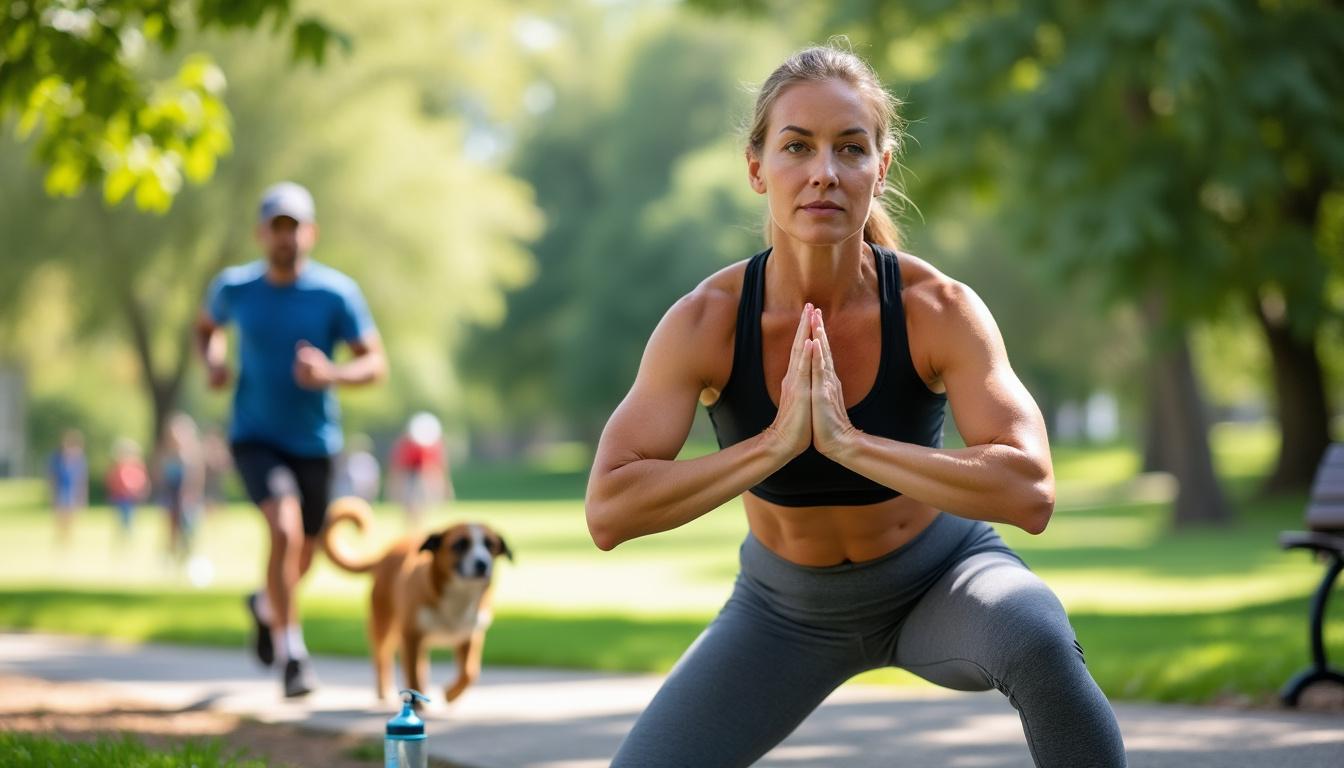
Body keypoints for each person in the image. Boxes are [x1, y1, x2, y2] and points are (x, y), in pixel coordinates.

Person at [584, 45, 1127, 767]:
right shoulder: (706, 322)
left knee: (1036, 637)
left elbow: (1030, 491)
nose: (824, 173)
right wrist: (773, 445)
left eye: (850, 148)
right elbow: (609, 511)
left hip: (942, 580)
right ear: (757, 169)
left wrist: (851, 445)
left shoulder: (938, 308)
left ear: (882, 165)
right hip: (782, 613)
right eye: (796, 147)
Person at [196, 181, 386, 697]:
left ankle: (264, 605)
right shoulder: (235, 288)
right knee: (283, 529)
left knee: (305, 550)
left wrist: (331, 374)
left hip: (315, 440)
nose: (286, 238)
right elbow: (206, 325)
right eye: (277, 228)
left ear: (311, 233)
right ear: (262, 234)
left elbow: (374, 363)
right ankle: (293, 657)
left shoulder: (335, 293)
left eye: (295, 227)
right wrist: (213, 360)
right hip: (254, 435)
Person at [387, 411, 451, 533]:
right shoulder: (405, 445)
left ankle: (419, 531)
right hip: (410, 476)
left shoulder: (434, 446)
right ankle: (410, 532)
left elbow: (438, 466)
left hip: (425, 476)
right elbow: (399, 467)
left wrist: (443, 485)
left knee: (422, 508)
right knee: (410, 508)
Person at [156, 412, 205, 563]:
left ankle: (187, 555)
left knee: (189, 527)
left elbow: (196, 477)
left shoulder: (192, 454)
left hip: (188, 497)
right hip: (171, 496)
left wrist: (192, 495)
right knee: (171, 527)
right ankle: (170, 555)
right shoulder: (166, 454)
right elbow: (160, 475)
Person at [47, 428, 87, 548]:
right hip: (60, 490)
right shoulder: (57, 458)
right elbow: (52, 477)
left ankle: (68, 539)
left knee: (71, 516)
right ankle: (61, 539)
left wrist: (82, 496)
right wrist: (51, 493)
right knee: (60, 516)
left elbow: (82, 480)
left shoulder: (79, 460)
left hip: (72, 491)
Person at [105, 437, 149, 542]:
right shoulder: (117, 467)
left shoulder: (137, 466)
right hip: (120, 497)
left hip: (132, 497)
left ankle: (128, 536)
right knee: (121, 518)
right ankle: (122, 537)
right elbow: (112, 481)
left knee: (130, 518)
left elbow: (141, 479)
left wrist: (139, 490)